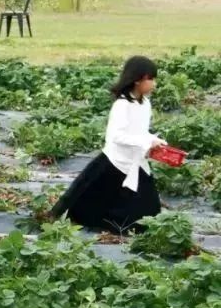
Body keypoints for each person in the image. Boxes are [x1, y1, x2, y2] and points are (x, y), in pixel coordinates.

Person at [50, 56, 165, 234]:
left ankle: (125, 228)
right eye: (150, 79)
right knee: (89, 207)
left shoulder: (144, 103)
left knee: (150, 209)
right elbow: (116, 136)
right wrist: (146, 141)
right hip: (115, 162)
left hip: (135, 162)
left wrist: (153, 141)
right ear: (137, 80)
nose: (153, 84)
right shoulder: (122, 105)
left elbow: (139, 131)